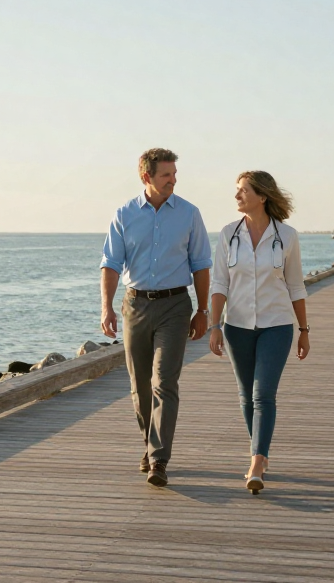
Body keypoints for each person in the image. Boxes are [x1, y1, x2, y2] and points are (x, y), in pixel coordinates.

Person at [100, 148, 212, 487]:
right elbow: (111, 264)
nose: (173, 181)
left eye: (175, 175)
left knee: (164, 381)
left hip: (176, 305)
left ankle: (159, 458)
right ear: (147, 177)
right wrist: (106, 307)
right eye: (166, 175)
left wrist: (203, 310)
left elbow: (201, 265)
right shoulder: (124, 214)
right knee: (140, 386)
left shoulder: (190, 214)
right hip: (135, 305)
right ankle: (149, 447)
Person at [208, 171, 310, 494]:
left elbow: (296, 285)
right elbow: (219, 284)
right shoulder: (228, 235)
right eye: (237, 190)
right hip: (237, 327)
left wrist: (304, 330)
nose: (237, 196)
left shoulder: (287, 236)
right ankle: (260, 452)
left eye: (243, 190)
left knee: (262, 393)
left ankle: (256, 461)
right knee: (246, 397)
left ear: (262, 196)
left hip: (277, 325)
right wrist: (214, 325)